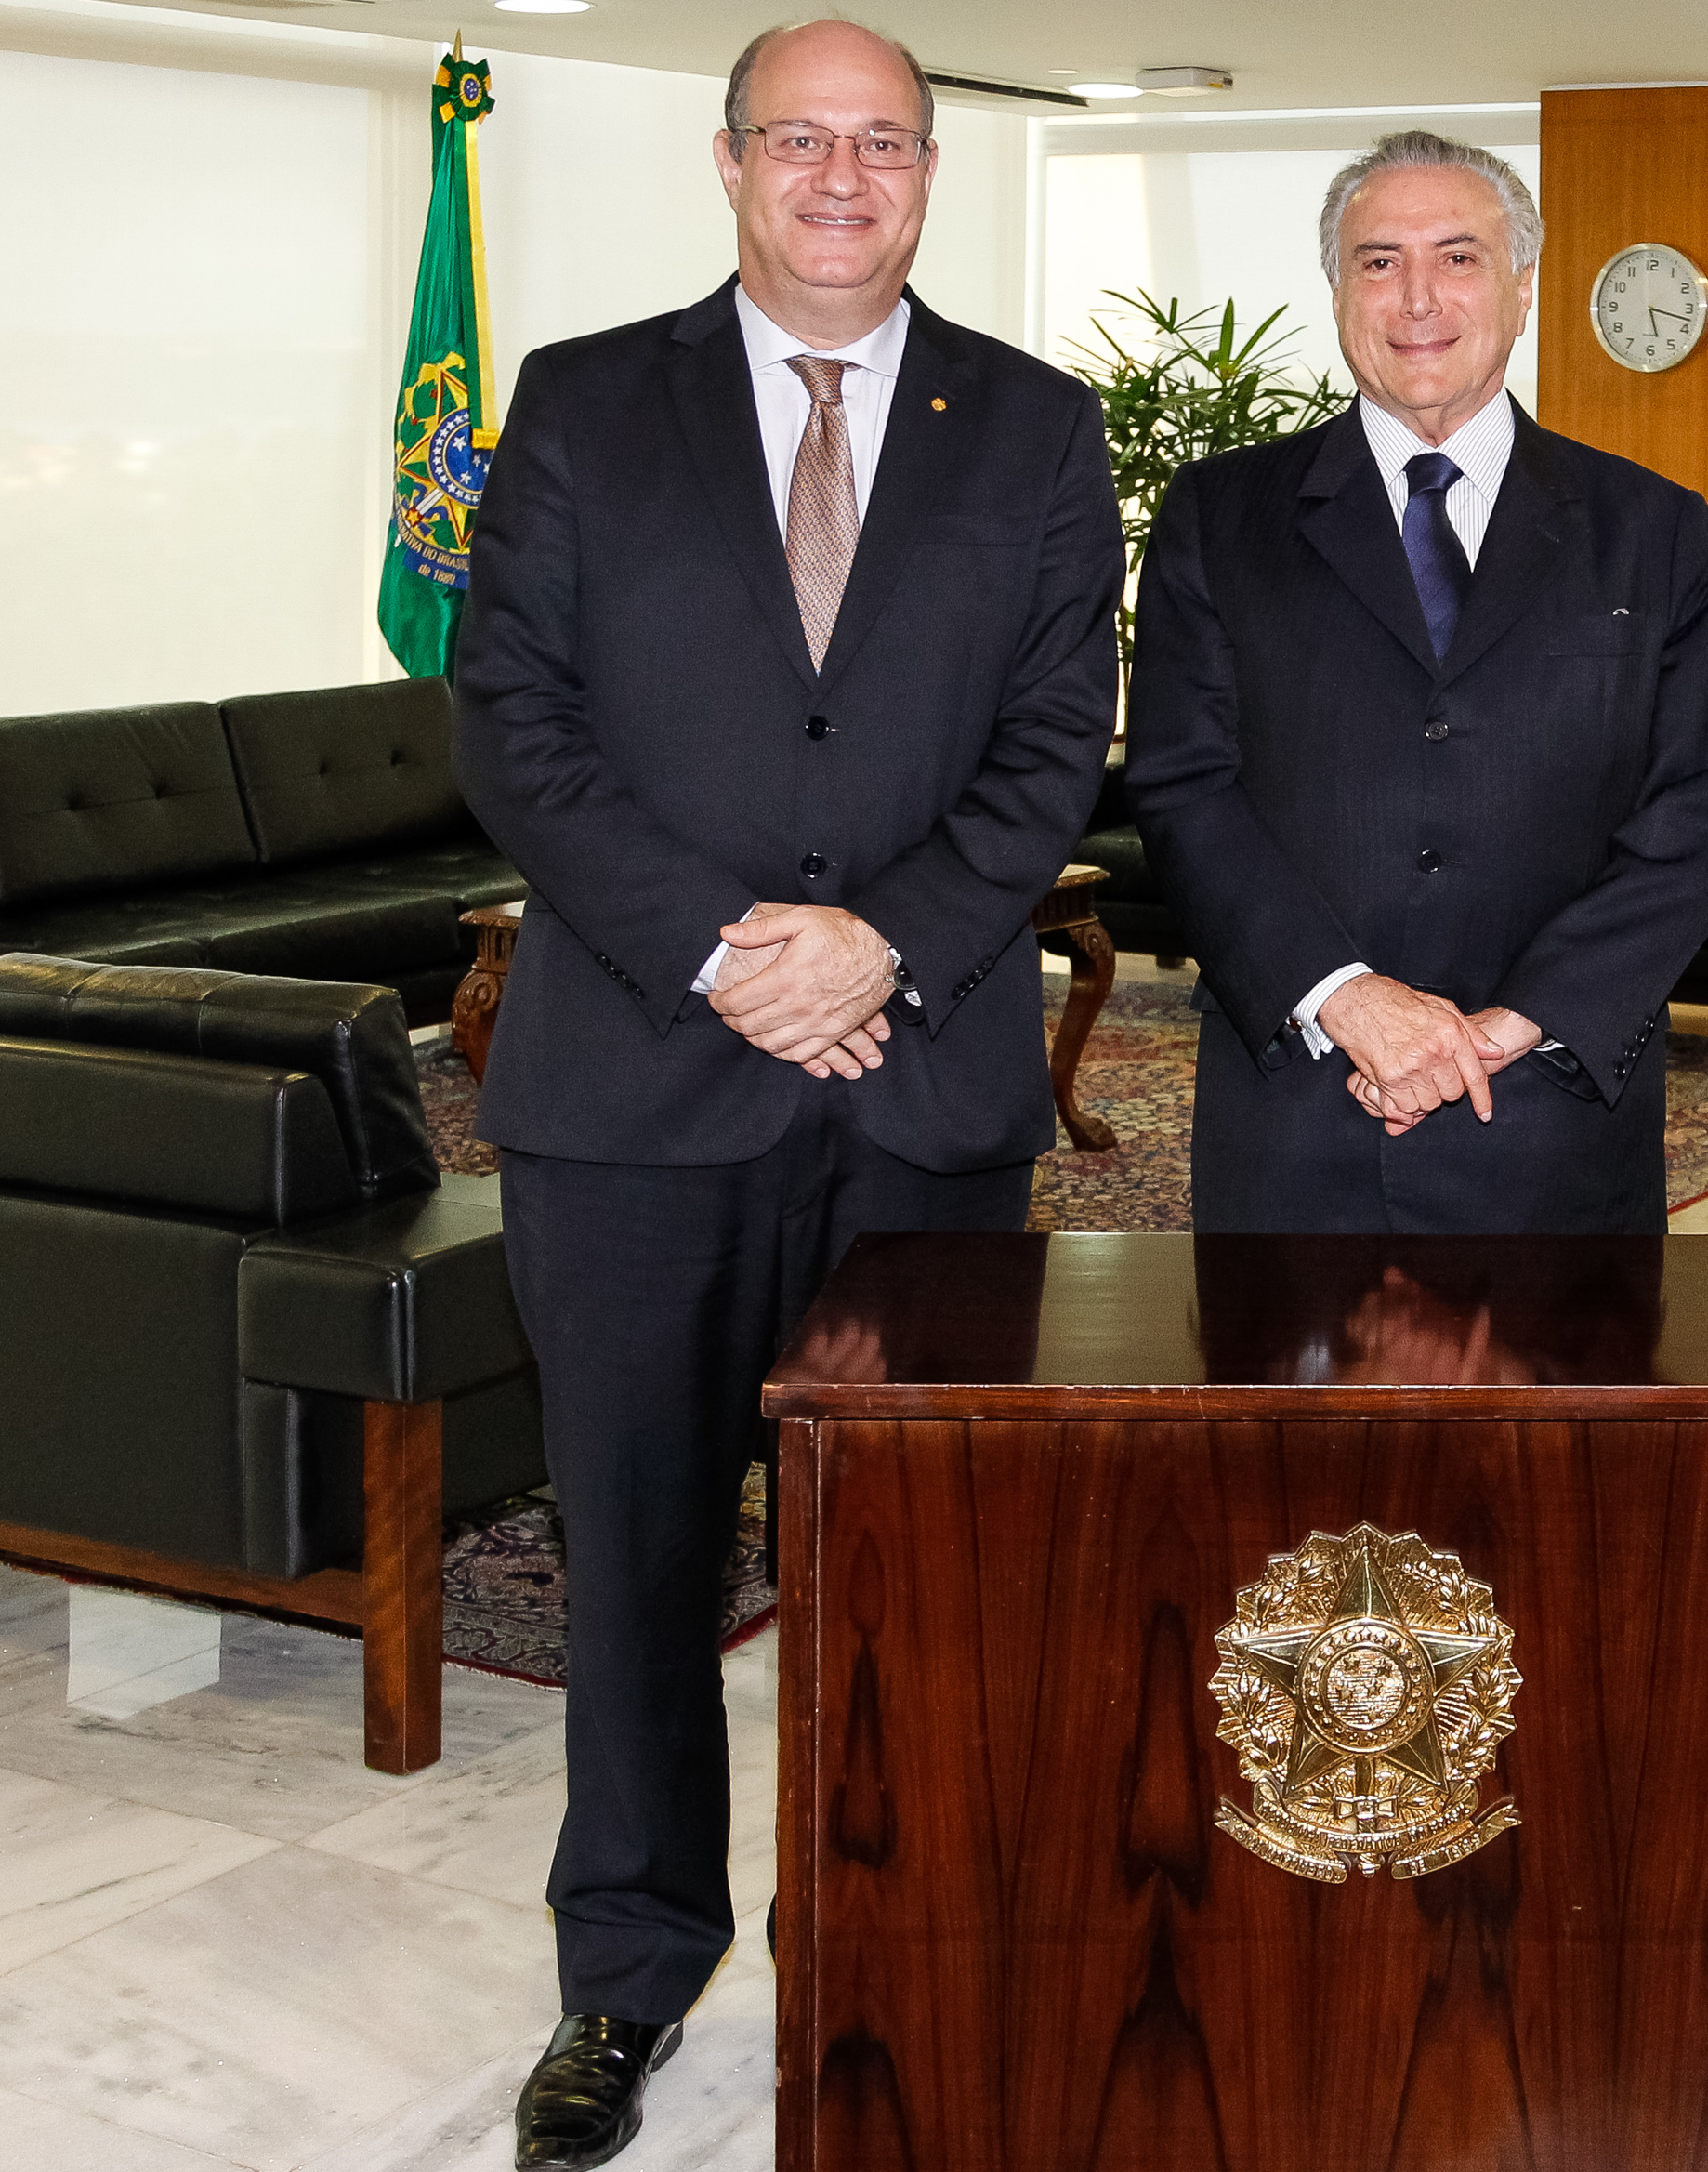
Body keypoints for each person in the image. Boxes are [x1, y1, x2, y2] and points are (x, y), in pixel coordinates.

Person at [453, 20, 1120, 2167]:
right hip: (636, 1090)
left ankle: (905, 1948)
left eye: (883, 143)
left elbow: (1049, 746)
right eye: (799, 140)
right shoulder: (579, 402)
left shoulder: (1030, 429)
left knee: (917, 1573)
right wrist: (735, 948)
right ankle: (627, 1973)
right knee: (639, 1557)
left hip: (920, 1100)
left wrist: (887, 941)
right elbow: (512, 721)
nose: (841, 175)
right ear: (728, 165)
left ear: (930, 174)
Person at [1125, 131, 1708, 1233]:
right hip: (1298, 1118)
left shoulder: (1650, 530)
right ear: (1334, 291)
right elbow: (1185, 789)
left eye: (1458, 257)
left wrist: (1516, 1022)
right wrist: (1350, 998)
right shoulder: (1218, 519)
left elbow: (1692, 815)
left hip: (1552, 1119)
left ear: (1520, 289)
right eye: (1377, 260)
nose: (1416, 296)